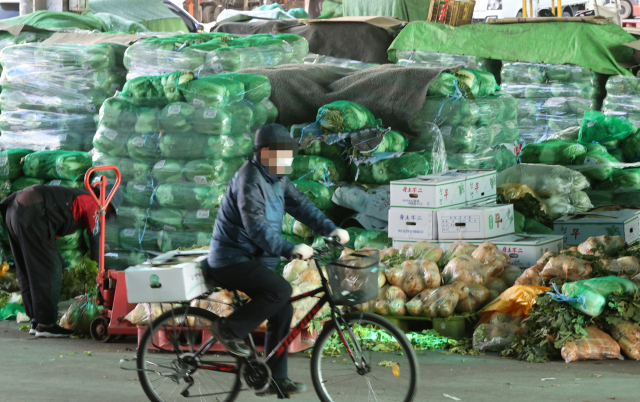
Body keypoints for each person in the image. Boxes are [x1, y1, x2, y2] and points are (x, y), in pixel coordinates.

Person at [205, 123, 349, 396]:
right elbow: (256, 227)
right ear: (265, 153)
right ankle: (228, 329)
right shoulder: (249, 179)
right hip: (231, 258)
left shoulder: (278, 177)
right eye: (283, 154)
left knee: (283, 307)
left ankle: (275, 379)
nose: (288, 159)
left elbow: (301, 206)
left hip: (255, 259)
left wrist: (331, 228)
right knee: (281, 290)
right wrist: (289, 248)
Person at [0, 183, 123, 338]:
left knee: (27, 268)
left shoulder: (73, 195)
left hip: (15, 210)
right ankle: (46, 325)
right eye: (109, 209)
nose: (105, 213)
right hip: (31, 210)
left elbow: (50, 231)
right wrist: (98, 276)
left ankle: (36, 321)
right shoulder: (93, 203)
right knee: (50, 270)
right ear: (106, 200)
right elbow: (96, 241)